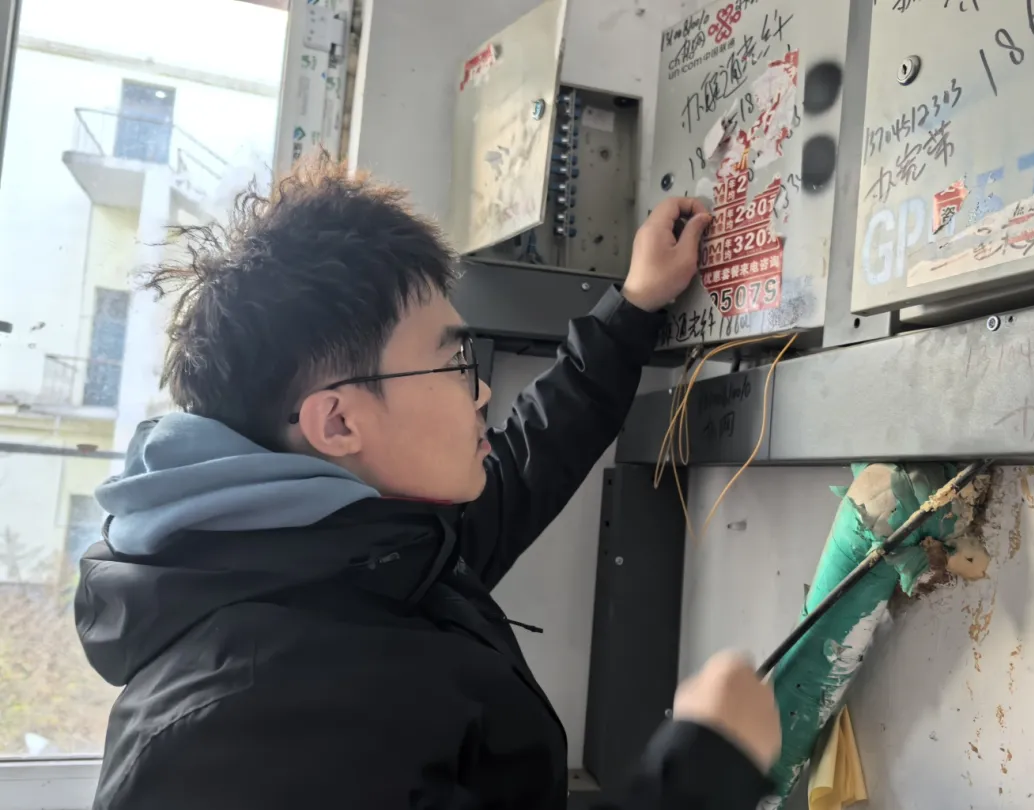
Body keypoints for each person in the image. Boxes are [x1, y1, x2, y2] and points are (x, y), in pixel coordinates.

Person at [75, 158, 781, 809]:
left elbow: (529, 461)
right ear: (338, 421)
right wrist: (706, 771)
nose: (481, 394)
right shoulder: (243, 736)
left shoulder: (350, 553)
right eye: (453, 364)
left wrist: (634, 305)